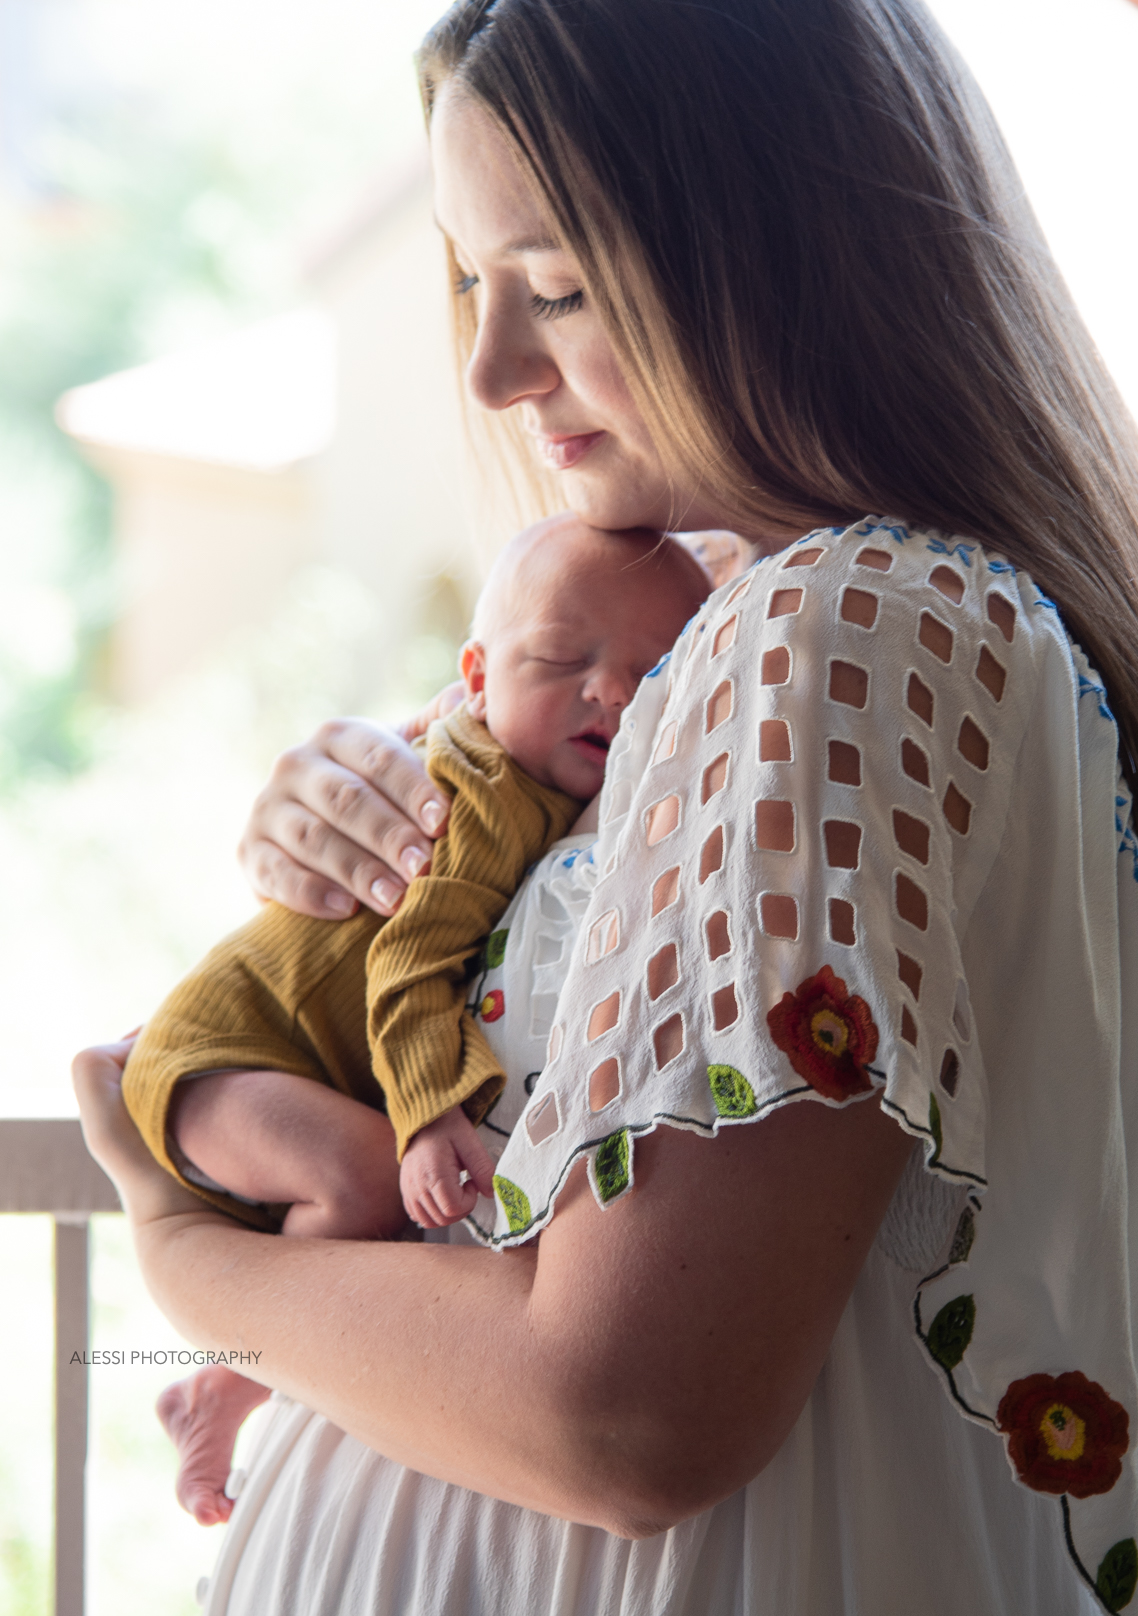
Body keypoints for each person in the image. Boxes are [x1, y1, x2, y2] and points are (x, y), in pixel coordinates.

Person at [74, 0, 1138, 1616]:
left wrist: (185, 1253)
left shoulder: (844, 628)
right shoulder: (774, 639)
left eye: (560, 281)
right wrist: (390, 800)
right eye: (470, 281)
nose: (500, 365)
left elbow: (622, 1415)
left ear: (776, 254)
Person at [120, 514, 709, 1526]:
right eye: (562, 659)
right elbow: (407, 964)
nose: (608, 690)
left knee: (357, 1192)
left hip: (277, 1063)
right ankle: (236, 1370)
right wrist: (432, 1115)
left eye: (652, 673)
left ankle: (224, 1381)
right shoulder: (478, 793)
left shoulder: (542, 789)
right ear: (473, 678)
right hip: (221, 1050)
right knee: (360, 1179)